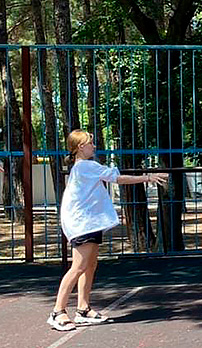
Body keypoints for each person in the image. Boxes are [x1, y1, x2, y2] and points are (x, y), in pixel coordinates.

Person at [50, 130, 167, 332]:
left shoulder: (83, 167)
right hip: (81, 223)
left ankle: (83, 309)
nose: (94, 146)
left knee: (90, 265)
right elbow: (118, 178)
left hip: (89, 222)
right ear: (81, 147)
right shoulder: (86, 166)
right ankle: (57, 312)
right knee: (78, 266)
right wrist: (147, 177)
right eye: (90, 143)